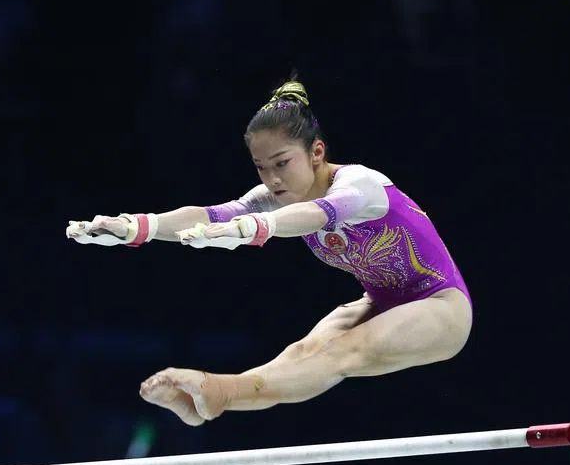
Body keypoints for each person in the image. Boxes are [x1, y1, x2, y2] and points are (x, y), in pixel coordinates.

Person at [66, 77, 472, 427]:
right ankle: (207, 401)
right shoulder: (275, 197)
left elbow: (319, 214)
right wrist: (137, 227)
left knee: (345, 350)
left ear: (317, 152)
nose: (273, 178)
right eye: (262, 167)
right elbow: (209, 214)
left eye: (282, 163)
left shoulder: (360, 184)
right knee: (300, 355)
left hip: (441, 306)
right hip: (381, 302)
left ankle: (221, 392)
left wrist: (259, 227)